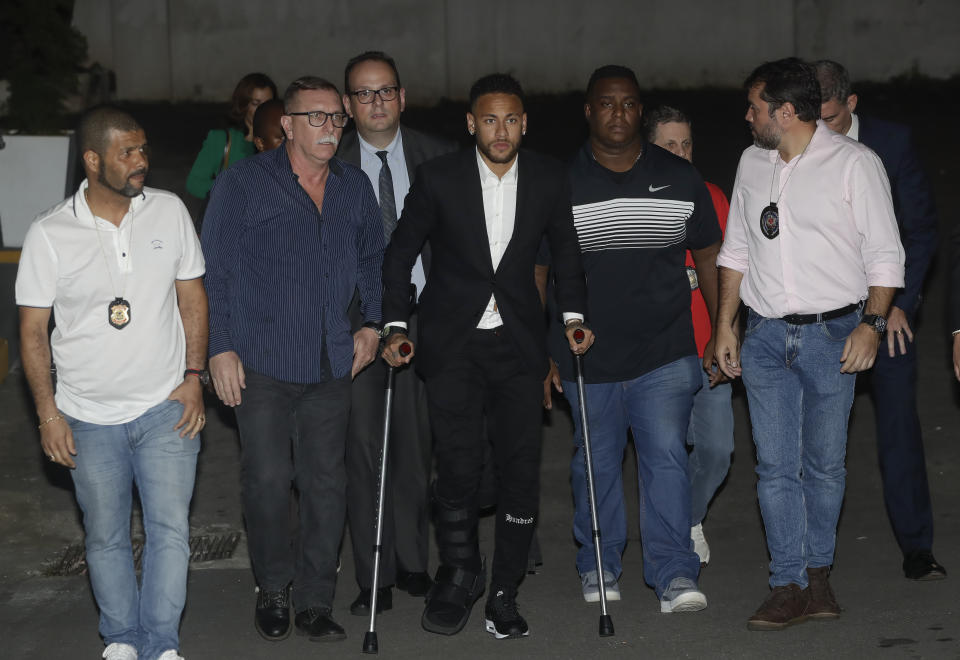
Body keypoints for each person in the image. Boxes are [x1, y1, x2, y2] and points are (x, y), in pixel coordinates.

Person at [380, 73, 591, 640]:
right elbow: (399, 256)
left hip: (518, 346)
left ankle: (505, 588)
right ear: (472, 123)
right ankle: (461, 572)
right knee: (458, 466)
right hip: (453, 345)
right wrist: (396, 324)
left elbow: (567, 254)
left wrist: (572, 319)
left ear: (525, 123)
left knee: (521, 471)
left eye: (512, 120)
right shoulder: (439, 178)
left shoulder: (549, 176)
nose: (502, 131)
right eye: (490, 120)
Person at [715, 57, 905, 631]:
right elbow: (736, 251)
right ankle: (788, 582)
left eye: (755, 108)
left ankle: (817, 575)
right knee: (774, 468)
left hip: (833, 334)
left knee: (824, 467)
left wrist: (870, 325)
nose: (747, 117)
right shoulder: (751, 163)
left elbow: (886, 255)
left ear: (787, 111)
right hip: (767, 334)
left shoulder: (855, 164)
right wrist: (727, 325)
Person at [16, 106, 207, 660]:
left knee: (170, 532)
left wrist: (194, 376)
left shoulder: (169, 212)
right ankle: (121, 638)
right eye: (128, 152)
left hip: (165, 407)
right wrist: (48, 414)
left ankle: (162, 645)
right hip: (87, 415)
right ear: (93, 160)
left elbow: (192, 296)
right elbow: (32, 331)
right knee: (105, 538)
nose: (141, 161)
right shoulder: (50, 232)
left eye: (143, 149)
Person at [201, 76, 385, 644]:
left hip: (331, 360)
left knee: (327, 482)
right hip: (260, 359)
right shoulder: (244, 184)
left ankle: (313, 599)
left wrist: (375, 324)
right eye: (316, 118)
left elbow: (375, 258)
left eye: (337, 118)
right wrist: (219, 347)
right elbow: (218, 268)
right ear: (286, 124)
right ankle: (274, 587)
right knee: (267, 478)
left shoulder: (354, 187)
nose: (330, 128)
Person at [544, 66, 720, 613]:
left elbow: (711, 256)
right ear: (589, 111)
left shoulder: (679, 176)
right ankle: (599, 564)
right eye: (606, 104)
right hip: (585, 357)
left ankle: (673, 574)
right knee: (593, 463)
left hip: (665, 351)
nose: (617, 114)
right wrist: (541, 350)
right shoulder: (560, 183)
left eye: (628, 104)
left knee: (665, 455)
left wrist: (720, 332)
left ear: (640, 112)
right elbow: (540, 274)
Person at [813, 60, 945, 582]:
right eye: (811, 119)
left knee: (897, 426)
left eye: (830, 118)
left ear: (852, 103)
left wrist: (895, 305)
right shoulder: (793, 140)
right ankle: (804, 559)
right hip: (821, 311)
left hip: (886, 309)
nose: (820, 132)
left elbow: (922, 231)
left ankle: (917, 546)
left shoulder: (892, 144)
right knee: (811, 440)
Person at [337, 50, 456, 616]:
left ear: (403, 97)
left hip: (429, 316)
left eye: (386, 91)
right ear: (346, 105)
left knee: (418, 445)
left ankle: (414, 562)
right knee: (365, 449)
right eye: (364, 93)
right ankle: (374, 575)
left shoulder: (441, 156)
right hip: (357, 323)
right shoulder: (329, 162)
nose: (376, 102)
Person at [646, 105, 733, 566]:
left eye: (686, 144)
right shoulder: (638, 202)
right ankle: (671, 540)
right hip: (658, 356)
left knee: (718, 451)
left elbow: (734, 276)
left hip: (708, 349)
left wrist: (727, 335)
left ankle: (685, 519)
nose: (680, 153)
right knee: (664, 454)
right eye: (668, 145)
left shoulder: (714, 197)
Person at [185, 73, 277, 217]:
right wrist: (233, 191)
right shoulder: (221, 139)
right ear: (243, 104)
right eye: (256, 103)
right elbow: (194, 183)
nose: (263, 109)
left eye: (268, 103)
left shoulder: (283, 140)